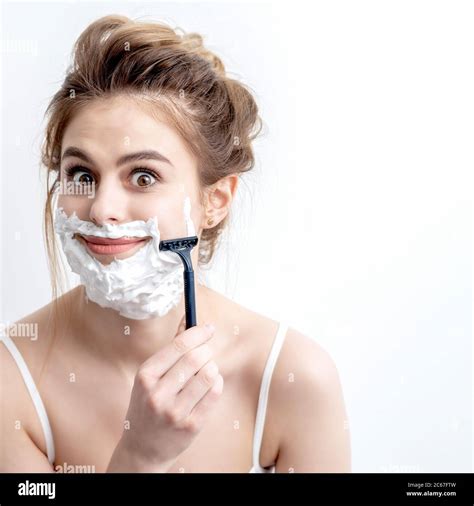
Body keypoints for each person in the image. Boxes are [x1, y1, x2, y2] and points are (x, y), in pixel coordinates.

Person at [0, 14, 351, 473]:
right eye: (82, 175)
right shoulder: (11, 383)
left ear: (215, 201)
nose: (103, 207)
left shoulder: (294, 378)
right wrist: (140, 456)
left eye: (143, 176)